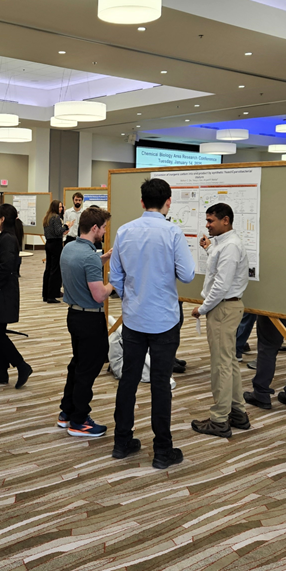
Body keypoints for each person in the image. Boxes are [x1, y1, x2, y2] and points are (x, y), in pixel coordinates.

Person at [108, 178, 195, 468]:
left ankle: (122, 442)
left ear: (142, 202)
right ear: (168, 202)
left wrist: (132, 297)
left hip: (133, 319)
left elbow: (116, 277)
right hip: (164, 321)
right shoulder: (172, 232)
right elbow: (187, 275)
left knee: (128, 382)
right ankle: (162, 451)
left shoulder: (124, 231)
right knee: (160, 385)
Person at [190, 202, 252, 438]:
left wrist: (203, 309)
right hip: (226, 307)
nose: (207, 226)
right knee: (229, 363)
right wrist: (208, 249)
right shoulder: (225, 244)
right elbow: (221, 271)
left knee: (221, 366)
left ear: (225, 220)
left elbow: (221, 285)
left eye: (211, 221)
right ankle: (237, 412)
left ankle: (219, 420)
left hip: (222, 309)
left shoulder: (231, 246)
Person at [57, 206, 115, 437]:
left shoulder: (69, 248)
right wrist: (116, 282)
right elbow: (100, 294)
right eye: (102, 228)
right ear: (94, 228)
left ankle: (66, 412)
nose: (103, 232)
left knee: (77, 364)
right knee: (87, 370)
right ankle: (79, 421)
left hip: (74, 316)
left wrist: (105, 258)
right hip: (90, 319)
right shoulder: (89, 257)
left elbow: (83, 267)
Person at [0, 204, 31, 388]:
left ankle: (21, 365)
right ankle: (1, 371)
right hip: (2, 292)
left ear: (2, 219)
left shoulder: (8, 239)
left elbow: (7, 266)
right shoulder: (7, 237)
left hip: (2, 293)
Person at [42, 199, 66, 303]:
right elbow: (58, 231)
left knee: (48, 269)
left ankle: (46, 294)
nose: (61, 209)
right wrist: (66, 226)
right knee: (55, 270)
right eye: (60, 207)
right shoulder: (56, 218)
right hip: (56, 244)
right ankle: (52, 295)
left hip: (49, 244)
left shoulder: (47, 217)